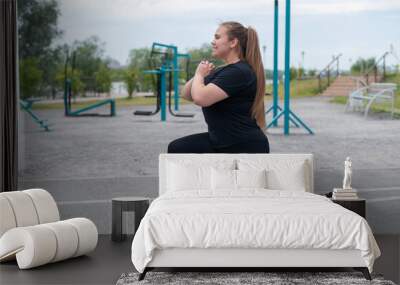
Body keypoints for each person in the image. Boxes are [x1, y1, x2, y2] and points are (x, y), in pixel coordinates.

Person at [167, 21, 269, 153]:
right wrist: (200, 76)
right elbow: (186, 94)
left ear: (233, 43)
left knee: (177, 149)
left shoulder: (239, 72)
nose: (212, 42)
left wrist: (199, 74)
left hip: (242, 145)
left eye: (217, 37)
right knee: (177, 148)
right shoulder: (225, 71)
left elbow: (200, 98)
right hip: (224, 142)